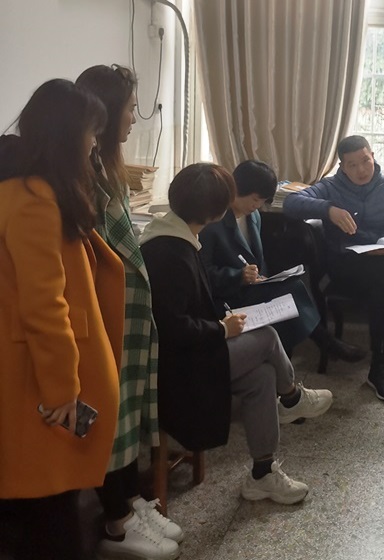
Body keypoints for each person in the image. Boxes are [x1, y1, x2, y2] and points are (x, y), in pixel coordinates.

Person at [140, 162, 333, 507]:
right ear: (215, 210)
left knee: (262, 377)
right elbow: (172, 327)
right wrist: (221, 328)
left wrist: (223, 321)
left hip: (194, 352)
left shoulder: (179, 236)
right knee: (267, 337)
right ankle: (291, 398)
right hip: (179, 368)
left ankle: (263, 473)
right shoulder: (169, 252)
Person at [0, 79, 122, 559]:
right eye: (91, 132)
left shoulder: (32, 190)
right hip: (39, 379)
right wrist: (62, 390)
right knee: (49, 506)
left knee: (44, 502)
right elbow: (44, 304)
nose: (94, 144)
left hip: (34, 371)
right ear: (68, 134)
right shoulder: (34, 198)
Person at [76, 64, 182, 560]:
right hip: (102, 317)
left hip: (126, 318)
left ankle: (131, 502)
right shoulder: (82, 174)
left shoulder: (108, 168)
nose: (134, 119)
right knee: (109, 418)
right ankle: (116, 521)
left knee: (126, 414)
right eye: (130, 109)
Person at [282, 135, 384, 402]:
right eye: (352, 165)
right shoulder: (331, 187)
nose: (361, 170)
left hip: (380, 265)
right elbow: (290, 203)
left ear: (373, 156)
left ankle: (378, 370)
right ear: (342, 167)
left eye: (365, 161)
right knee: (383, 275)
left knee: (382, 286)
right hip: (343, 268)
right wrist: (329, 209)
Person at [199, 159, 365, 363]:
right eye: (255, 199)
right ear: (236, 189)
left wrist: (262, 278)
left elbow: (258, 259)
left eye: (262, 201)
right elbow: (203, 274)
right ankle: (326, 343)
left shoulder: (253, 216)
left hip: (251, 288)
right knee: (290, 293)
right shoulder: (214, 222)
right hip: (228, 296)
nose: (257, 205)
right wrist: (238, 276)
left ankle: (309, 352)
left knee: (293, 289)